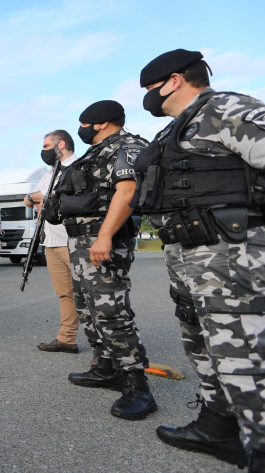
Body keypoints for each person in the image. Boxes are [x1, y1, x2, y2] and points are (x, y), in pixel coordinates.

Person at [134, 49, 265, 468]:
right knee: (205, 344)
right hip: (189, 256)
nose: (149, 97)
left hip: (232, 255)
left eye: (151, 89)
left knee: (244, 355)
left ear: (173, 81)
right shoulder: (177, 128)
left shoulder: (227, 109)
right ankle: (218, 427)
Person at [49, 100, 156, 421]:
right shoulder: (95, 151)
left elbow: (127, 190)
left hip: (104, 240)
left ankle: (138, 386)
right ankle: (106, 367)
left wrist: (106, 236)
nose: (81, 129)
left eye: (84, 123)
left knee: (110, 310)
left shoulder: (127, 145)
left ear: (101, 123)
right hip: (81, 240)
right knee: (87, 308)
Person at [24, 130, 80, 353]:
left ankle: (104, 348)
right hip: (51, 241)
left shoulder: (78, 167)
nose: (43, 151)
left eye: (47, 146)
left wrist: (43, 196)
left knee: (90, 294)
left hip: (73, 240)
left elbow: (57, 194)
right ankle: (67, 338)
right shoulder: (49, 173)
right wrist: (40, 197)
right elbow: (29, 198)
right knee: (65, 293)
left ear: (62, 145)